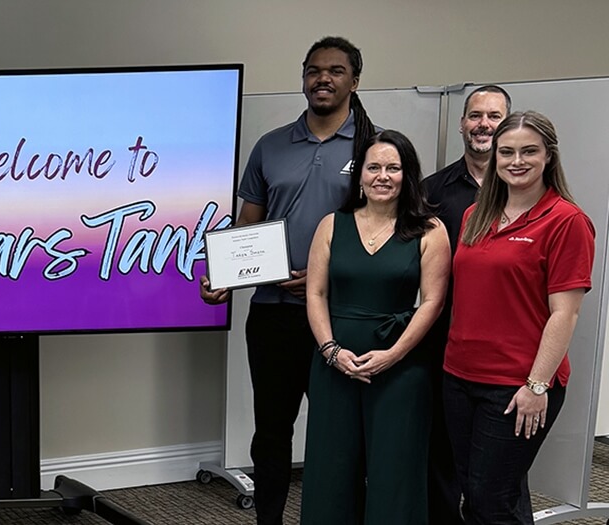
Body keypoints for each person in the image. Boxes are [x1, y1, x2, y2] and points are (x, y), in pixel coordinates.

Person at [199, 36, 377, 525]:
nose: (323, 78)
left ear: (354, 81)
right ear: (303, 78)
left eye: (336, 71)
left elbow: (383, 230)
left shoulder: (373, 148)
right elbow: (247, 226)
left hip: (341, 317)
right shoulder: (271, 145)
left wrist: (325, 275)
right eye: (314, 70)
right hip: (274, 314)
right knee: (271, 432)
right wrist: (223, 275)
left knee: (337, 433)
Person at [443, 111, 594, 525]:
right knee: (480, 493)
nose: (516, 161)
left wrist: (537, 385)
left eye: (529, 151)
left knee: (490, 499)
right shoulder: (477, 216)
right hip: (459, 376)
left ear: (549, 156)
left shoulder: (567, 221)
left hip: (516, 385)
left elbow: (566, 312)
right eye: (506, 152)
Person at [300, 130, 450, 523]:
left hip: (401, 366)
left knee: (395, 472)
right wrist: (330, 351)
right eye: (374, 167)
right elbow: (316, 294)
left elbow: (433, 302)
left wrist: (393, 355)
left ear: (408, 175)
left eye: (393, 168)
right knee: (330, 470)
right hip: (335, 364)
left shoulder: (430, 230)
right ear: (360, 175)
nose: (383, 176)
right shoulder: (332, 225)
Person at [420, 84, 511, 524]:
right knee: (440, 457)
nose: (484, 124)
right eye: (476, 115)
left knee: (499, 472)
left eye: (494, 116)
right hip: (442, 345)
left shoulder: (529, 192)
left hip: (505, 354)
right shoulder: (432, 192)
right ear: (462, 124)